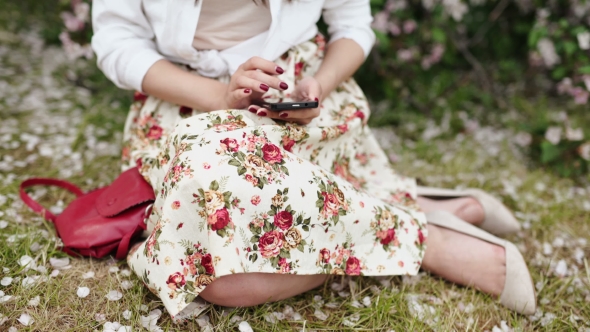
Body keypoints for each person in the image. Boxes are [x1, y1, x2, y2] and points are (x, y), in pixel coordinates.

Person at [91, 0, 536, 319]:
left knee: (227, 273)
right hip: (187, 106)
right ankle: (419, 235)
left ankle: (405, 225)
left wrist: (320, 82)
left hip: (293, 101)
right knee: (217, 281)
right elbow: (116, 40)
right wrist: (219, 98)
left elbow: (353, 24)